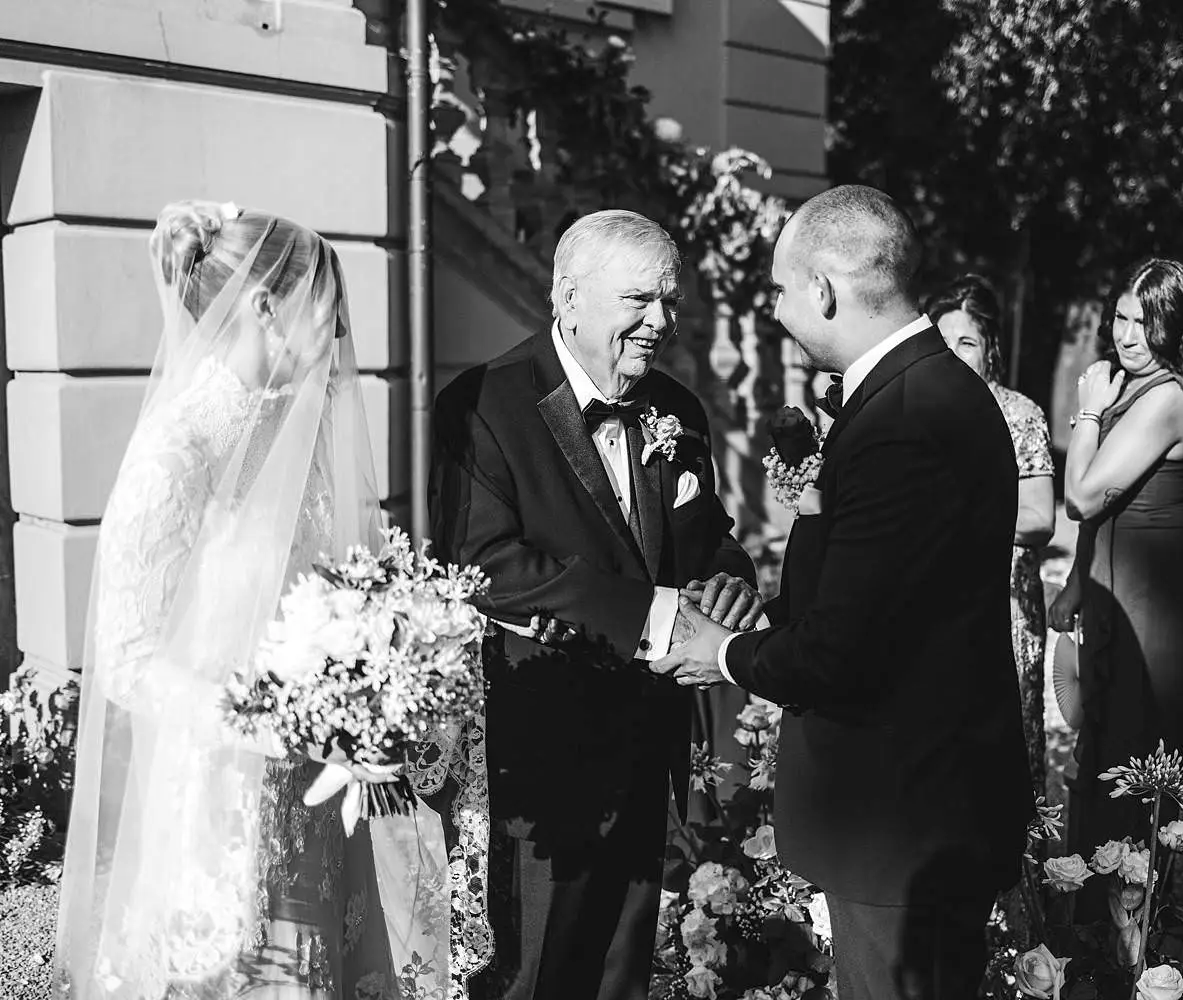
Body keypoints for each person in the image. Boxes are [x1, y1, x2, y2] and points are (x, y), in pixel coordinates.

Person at [53, 202, 451, 998]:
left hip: (318, 780)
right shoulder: (175, 454)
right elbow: (128, 663)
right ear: (267, 307)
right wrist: (275, 718)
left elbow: (338, 590)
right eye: (327, 312)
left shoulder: (298, 437)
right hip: (218, 792)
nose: (340, 338)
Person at [655, 185, 1034, 1000]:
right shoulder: (926, 393)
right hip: (930, 803)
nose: (780, 312)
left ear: (823, 289)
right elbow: (879, 594)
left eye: (782, 292)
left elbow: (841, 650)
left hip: (903, 819)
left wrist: (717, 652)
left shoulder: (901, 422)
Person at [427, 210, 761, 1000]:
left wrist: (729, 580)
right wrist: (651, 617)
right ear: (568, 298)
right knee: (539, 975)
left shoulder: (678, 408)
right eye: (638, 300)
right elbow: (484, 563)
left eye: (670, 302)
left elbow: (705, 533)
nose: (660, 322)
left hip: (651, 747)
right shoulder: (482, 404)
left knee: (621, 977)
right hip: (543, 755)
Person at [1047, 259, 1183, 897]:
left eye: (1146, 324)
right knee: (1105, 749)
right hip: (1117, 598)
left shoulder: (1165, 398)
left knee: (1128, 759)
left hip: (1150, 614)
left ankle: (1131, 929)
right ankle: (1105, 923)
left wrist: (1085, 414)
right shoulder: (1138, 388)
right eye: (1122, 318)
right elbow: (1105, 514)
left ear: (1178, 329)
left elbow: (1081, 496)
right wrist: (1079, 578)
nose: (1127, 335)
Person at [928, 274, 1055, 794]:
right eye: (943, 342)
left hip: (1004, 610)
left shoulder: (1019, 415)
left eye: (968, 342)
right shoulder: (916, 412)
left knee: (1005, 755)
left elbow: (1039, 520)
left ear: (990, 350)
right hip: (930, 610)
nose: (954, 355)